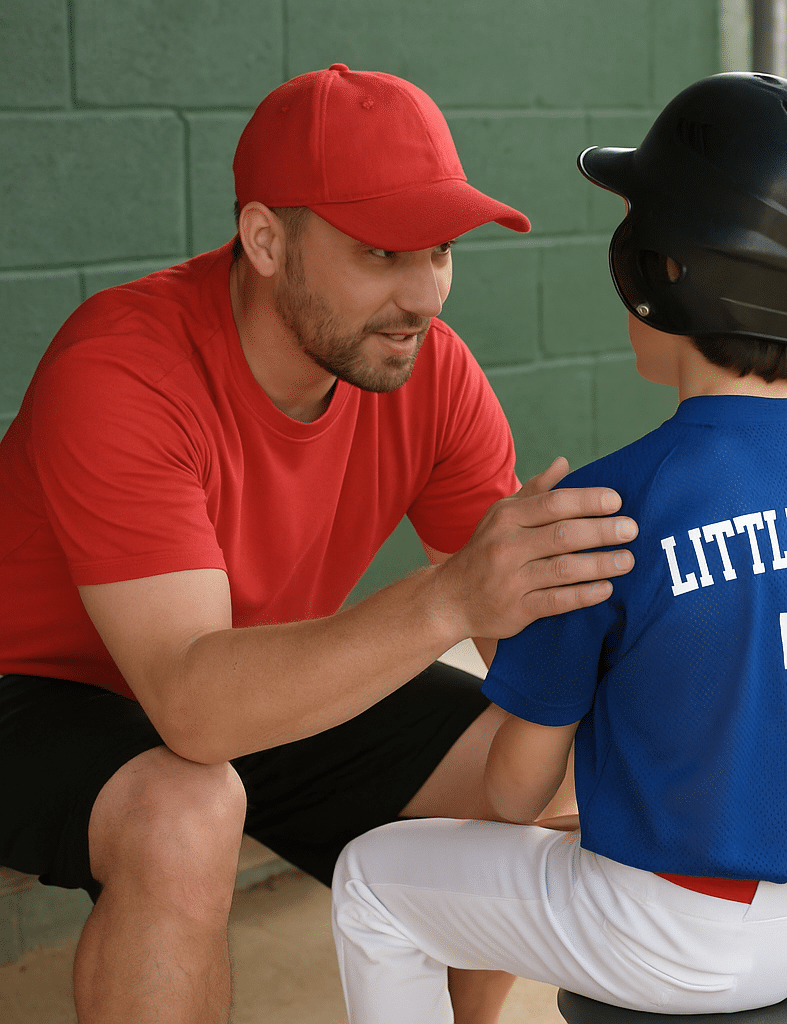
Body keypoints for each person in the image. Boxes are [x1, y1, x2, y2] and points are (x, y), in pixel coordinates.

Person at [0, 64, 640, 1024]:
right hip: (40, 692)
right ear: (266, 238)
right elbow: (193, 710)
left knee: (539, 766)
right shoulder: (124, 367)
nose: (424, 295)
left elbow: (528, 659)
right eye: (383, 253)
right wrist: (450, 600)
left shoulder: (428, 370)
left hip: (240, 679)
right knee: (185, 812)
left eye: (440, 251)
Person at [331, 72, 787, 1021]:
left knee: (372, 880)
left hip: (681, 940)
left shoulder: (604, 508)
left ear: (662, 270)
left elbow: (515, 787)